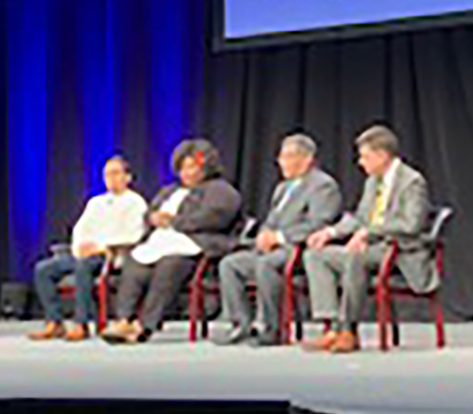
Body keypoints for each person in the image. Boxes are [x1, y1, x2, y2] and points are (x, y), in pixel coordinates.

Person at [301, 125, 436, 353]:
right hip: (371, 249)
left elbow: (411, 224)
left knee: (356, 256)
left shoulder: (412, 181)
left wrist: (368, 233)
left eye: (365, 157)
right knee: (315, 255)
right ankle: (332, 328)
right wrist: (330, 233)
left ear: (382, 156)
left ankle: (348, 330)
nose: (360, 162)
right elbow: (360, 218)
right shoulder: (373, 181)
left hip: (399, 250)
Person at [102, 138, 242, 343]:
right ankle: (124, 319)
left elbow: (214, 218)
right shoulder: (169, 191)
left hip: (194, 244)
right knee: (135, 264)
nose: (187, 173)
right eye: (183, 168)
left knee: (169, 266)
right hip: (161, 242)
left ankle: (144, 325)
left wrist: (174, 221)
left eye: (192, 167)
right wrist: (153, 218)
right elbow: (149, 213)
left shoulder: (221, 190)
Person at [211, 132, 344, 345]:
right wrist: (265, 235)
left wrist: (280, 237)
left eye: (287, 156)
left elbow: (319, 223)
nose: (281, 162)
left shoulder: (323, 185)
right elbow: (271, 222)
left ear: (307, 159)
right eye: (281, 156)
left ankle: (271, 328)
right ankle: (241, 324)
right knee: (230, 264)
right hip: (273, 249)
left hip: (300, 250)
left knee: (266, 265)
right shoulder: (282, 188)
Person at [31, 154, 148, 341]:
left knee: (83, 266)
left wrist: (100, 247)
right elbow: (80, 229)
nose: (111, 178)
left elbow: (133, 235)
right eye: (107, 175)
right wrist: (80, 247)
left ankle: (81, 323)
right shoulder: (96, 202)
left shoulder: (136, 203)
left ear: (128, 177)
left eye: (116, 173)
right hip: (84, 253)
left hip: (111, 256)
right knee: (43, 269)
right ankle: (54, 321)